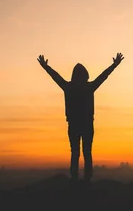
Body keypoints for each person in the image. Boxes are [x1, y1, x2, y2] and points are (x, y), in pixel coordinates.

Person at [37, 52, 124, 184]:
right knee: (86, 152)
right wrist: (115, 65)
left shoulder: (69, 87)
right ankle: (86, 178)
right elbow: (103, 76)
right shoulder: (88, 87)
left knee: (76, 152)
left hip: (74, 124)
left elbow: (56, 77)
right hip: (86, 124)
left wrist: (45, 67)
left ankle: (75, 177)